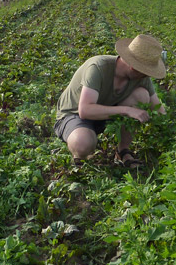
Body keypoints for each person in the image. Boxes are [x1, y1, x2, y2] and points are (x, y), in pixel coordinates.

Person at [54, 34, 167, 168]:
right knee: (82, 143)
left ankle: (123, 151)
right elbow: (84, 110)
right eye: (146, 71)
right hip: (74, 115)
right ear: (134, 67)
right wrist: (127, 110)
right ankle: (81, 161)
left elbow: (159, 110)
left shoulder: (141, 77)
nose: (147, 75)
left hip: (106, 114)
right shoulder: (98, 67)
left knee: (142, 95)